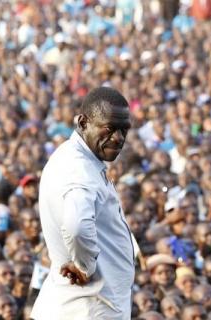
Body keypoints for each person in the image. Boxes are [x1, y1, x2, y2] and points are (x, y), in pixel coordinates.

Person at [30, 87, 134, 319]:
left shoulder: (73, 157)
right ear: (83, 123)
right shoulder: (79, 169)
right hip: (88, 307)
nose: (118, 138)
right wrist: (85, 266)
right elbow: (77, 226)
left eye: (123, 129)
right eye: (109, 129)